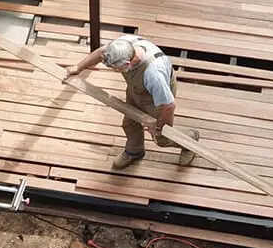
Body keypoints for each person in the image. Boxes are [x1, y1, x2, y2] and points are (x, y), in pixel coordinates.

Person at [66, 35, 200, 170]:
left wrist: (158, 127)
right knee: (129, 124)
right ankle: (134, 151)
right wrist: (78, 67)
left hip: (156, 99)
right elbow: (101, 53)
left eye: (116, 68)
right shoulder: (120, 46)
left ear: (127, 64)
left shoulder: (153, 74)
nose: (114, 70)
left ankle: (189, 140)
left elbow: (169, 105)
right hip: (136, 88)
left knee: (161, 138)